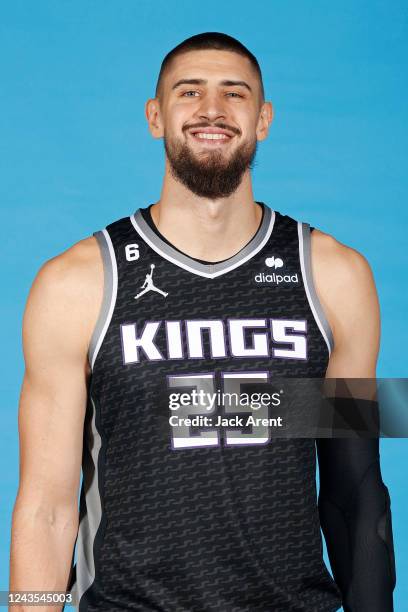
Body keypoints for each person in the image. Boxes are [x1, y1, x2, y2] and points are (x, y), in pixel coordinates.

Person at [9, 32, 396, 611]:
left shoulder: (335, 277)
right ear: (155, 116)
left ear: (263, 119)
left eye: (233, 94)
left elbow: (355, 492)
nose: (211, 110)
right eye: (189, 92)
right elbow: (46, 505)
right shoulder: (76, 283)